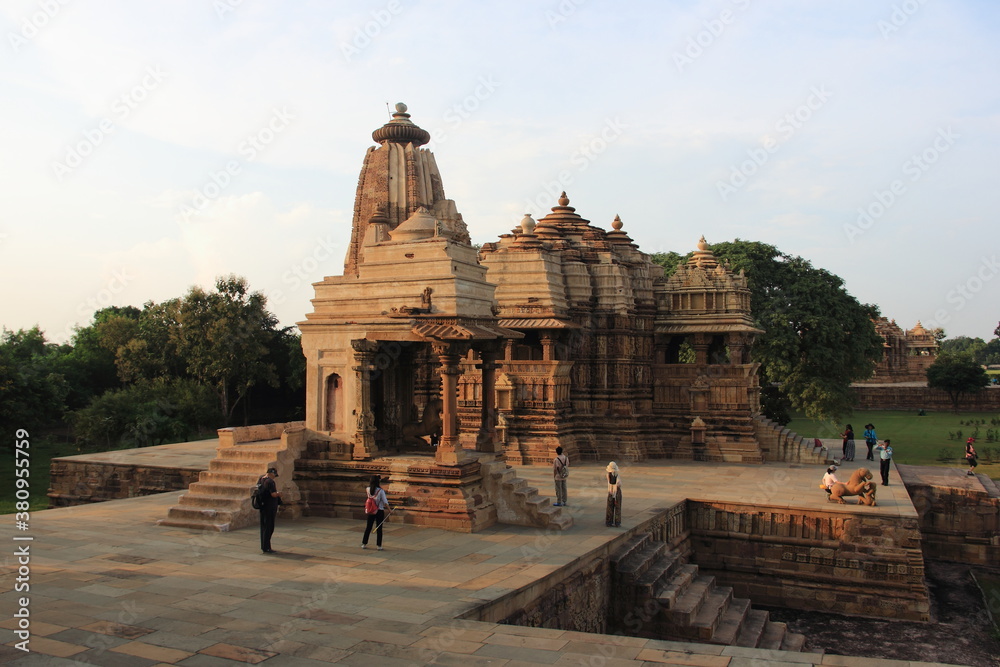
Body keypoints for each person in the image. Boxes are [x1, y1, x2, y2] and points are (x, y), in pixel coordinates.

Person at [361, 475, 390, 551]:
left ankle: (364, 543)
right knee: (379, 528)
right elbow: (385, 502)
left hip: (371, 510)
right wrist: (390, 510)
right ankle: (379, 545)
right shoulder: (380, 491)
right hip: (379, 510)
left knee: (368, 527)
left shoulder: (368, 489)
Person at [258, 467, 281, 554]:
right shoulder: (270, 482)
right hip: (270, 507)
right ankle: (267, 547)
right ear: (271, 473)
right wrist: (279, 494)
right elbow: (273, 494)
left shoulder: (261, 479)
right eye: (274, 475)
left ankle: (264, 546)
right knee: (269, 527)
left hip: (263, 506)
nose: (274, 477)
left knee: (264, 527)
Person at [605, 462, 622, 527]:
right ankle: (609, 521)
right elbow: (610, 483)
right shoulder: (608, 475)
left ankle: (617, 522)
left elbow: (619, 482)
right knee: (610, 507)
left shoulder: (617, 475)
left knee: (617, 507)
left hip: (616, 491)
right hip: (611, 491)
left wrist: (618, 484)